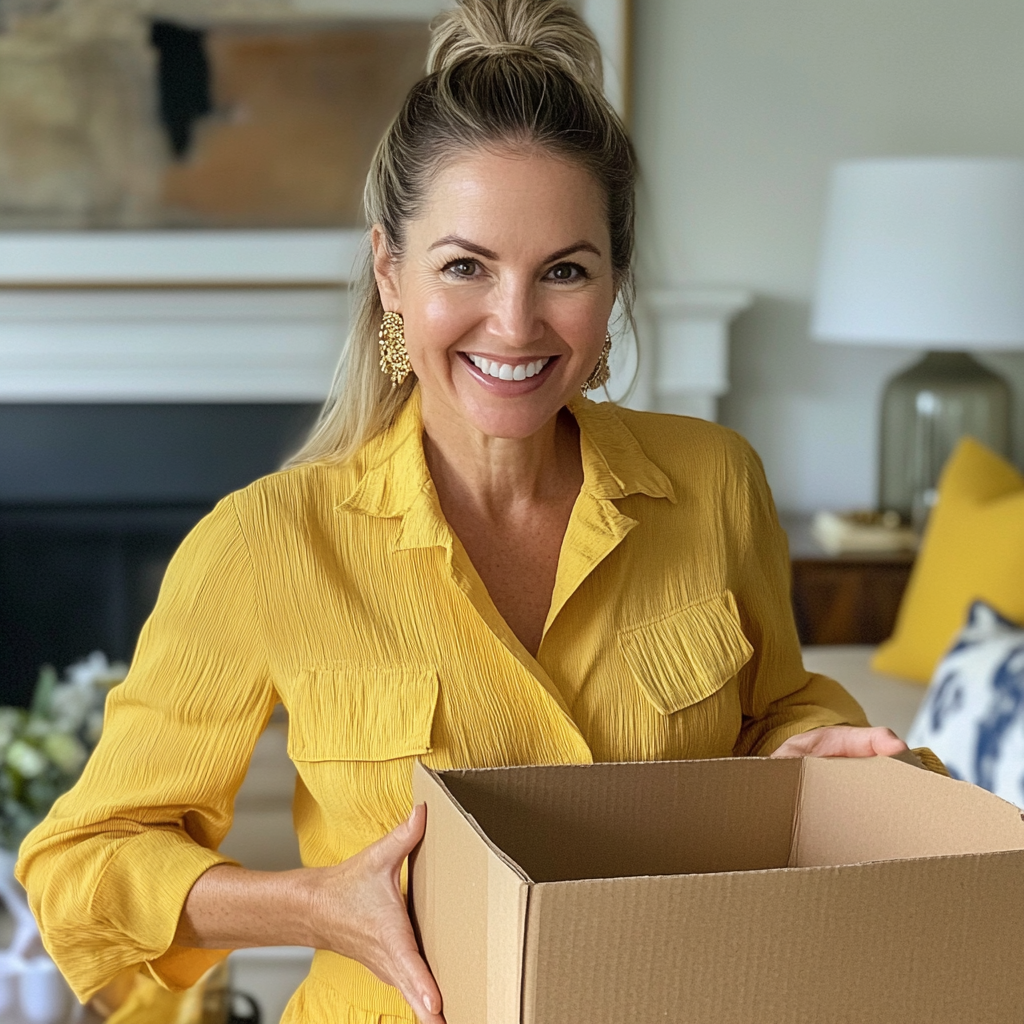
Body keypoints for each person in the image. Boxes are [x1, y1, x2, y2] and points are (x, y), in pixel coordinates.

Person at [17, 1, 910, 1022]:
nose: (516, 322)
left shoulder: (714, 482)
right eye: (465, 266)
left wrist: (812, 752)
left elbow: (778, 708)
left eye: (564, 270)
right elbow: (80, 864)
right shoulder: (266, 541)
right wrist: (313, 905)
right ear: (390, 272)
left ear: (612, 280)